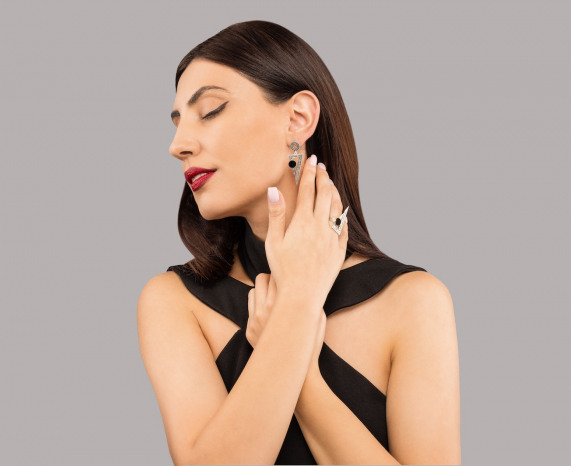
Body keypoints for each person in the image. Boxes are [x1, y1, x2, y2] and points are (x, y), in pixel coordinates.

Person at [137, 20, 460, 465]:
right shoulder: (173, 301)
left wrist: (298, 360)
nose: (177, 145)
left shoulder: (415, 301)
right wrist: (299, 302)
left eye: (209, 110)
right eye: (177, 123)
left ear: (298, 118)